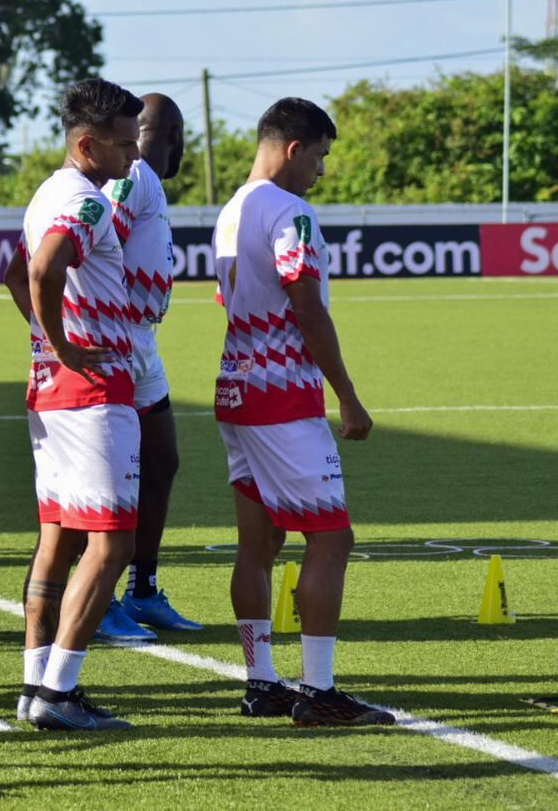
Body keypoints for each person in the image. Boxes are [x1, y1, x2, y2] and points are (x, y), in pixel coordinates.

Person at [213, 97, 394, 727]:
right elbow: (307, 305)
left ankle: (261, 682)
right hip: (282, 396)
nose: (320, 171)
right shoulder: (290, 212)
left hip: (235, 386)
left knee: (257, 541)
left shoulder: (232, 208)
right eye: (319, 156)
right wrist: (346, 392)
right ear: (294, 149)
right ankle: (319, 693)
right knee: (331, 537)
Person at [2, 78, 141, 730]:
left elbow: (14, 271)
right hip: (89, 392)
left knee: (58, 537)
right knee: (112, 544)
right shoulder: (83, 201)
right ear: (87, 145)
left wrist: (45, 343)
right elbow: (42, 270)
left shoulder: (49, 193)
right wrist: (63, 343)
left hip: (54, 393)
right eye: (123, 145)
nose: (133, 157)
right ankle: (58, 692)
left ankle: (36, 686)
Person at [94, 92, 203, 642]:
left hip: (143, 343)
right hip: (120, 339)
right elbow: (95, 241)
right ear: (169, 135)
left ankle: (142, 589)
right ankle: (103, 598)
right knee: (119, 474)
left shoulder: (145, 181)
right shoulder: (133, 176)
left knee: (161, 461)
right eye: (179, 133)